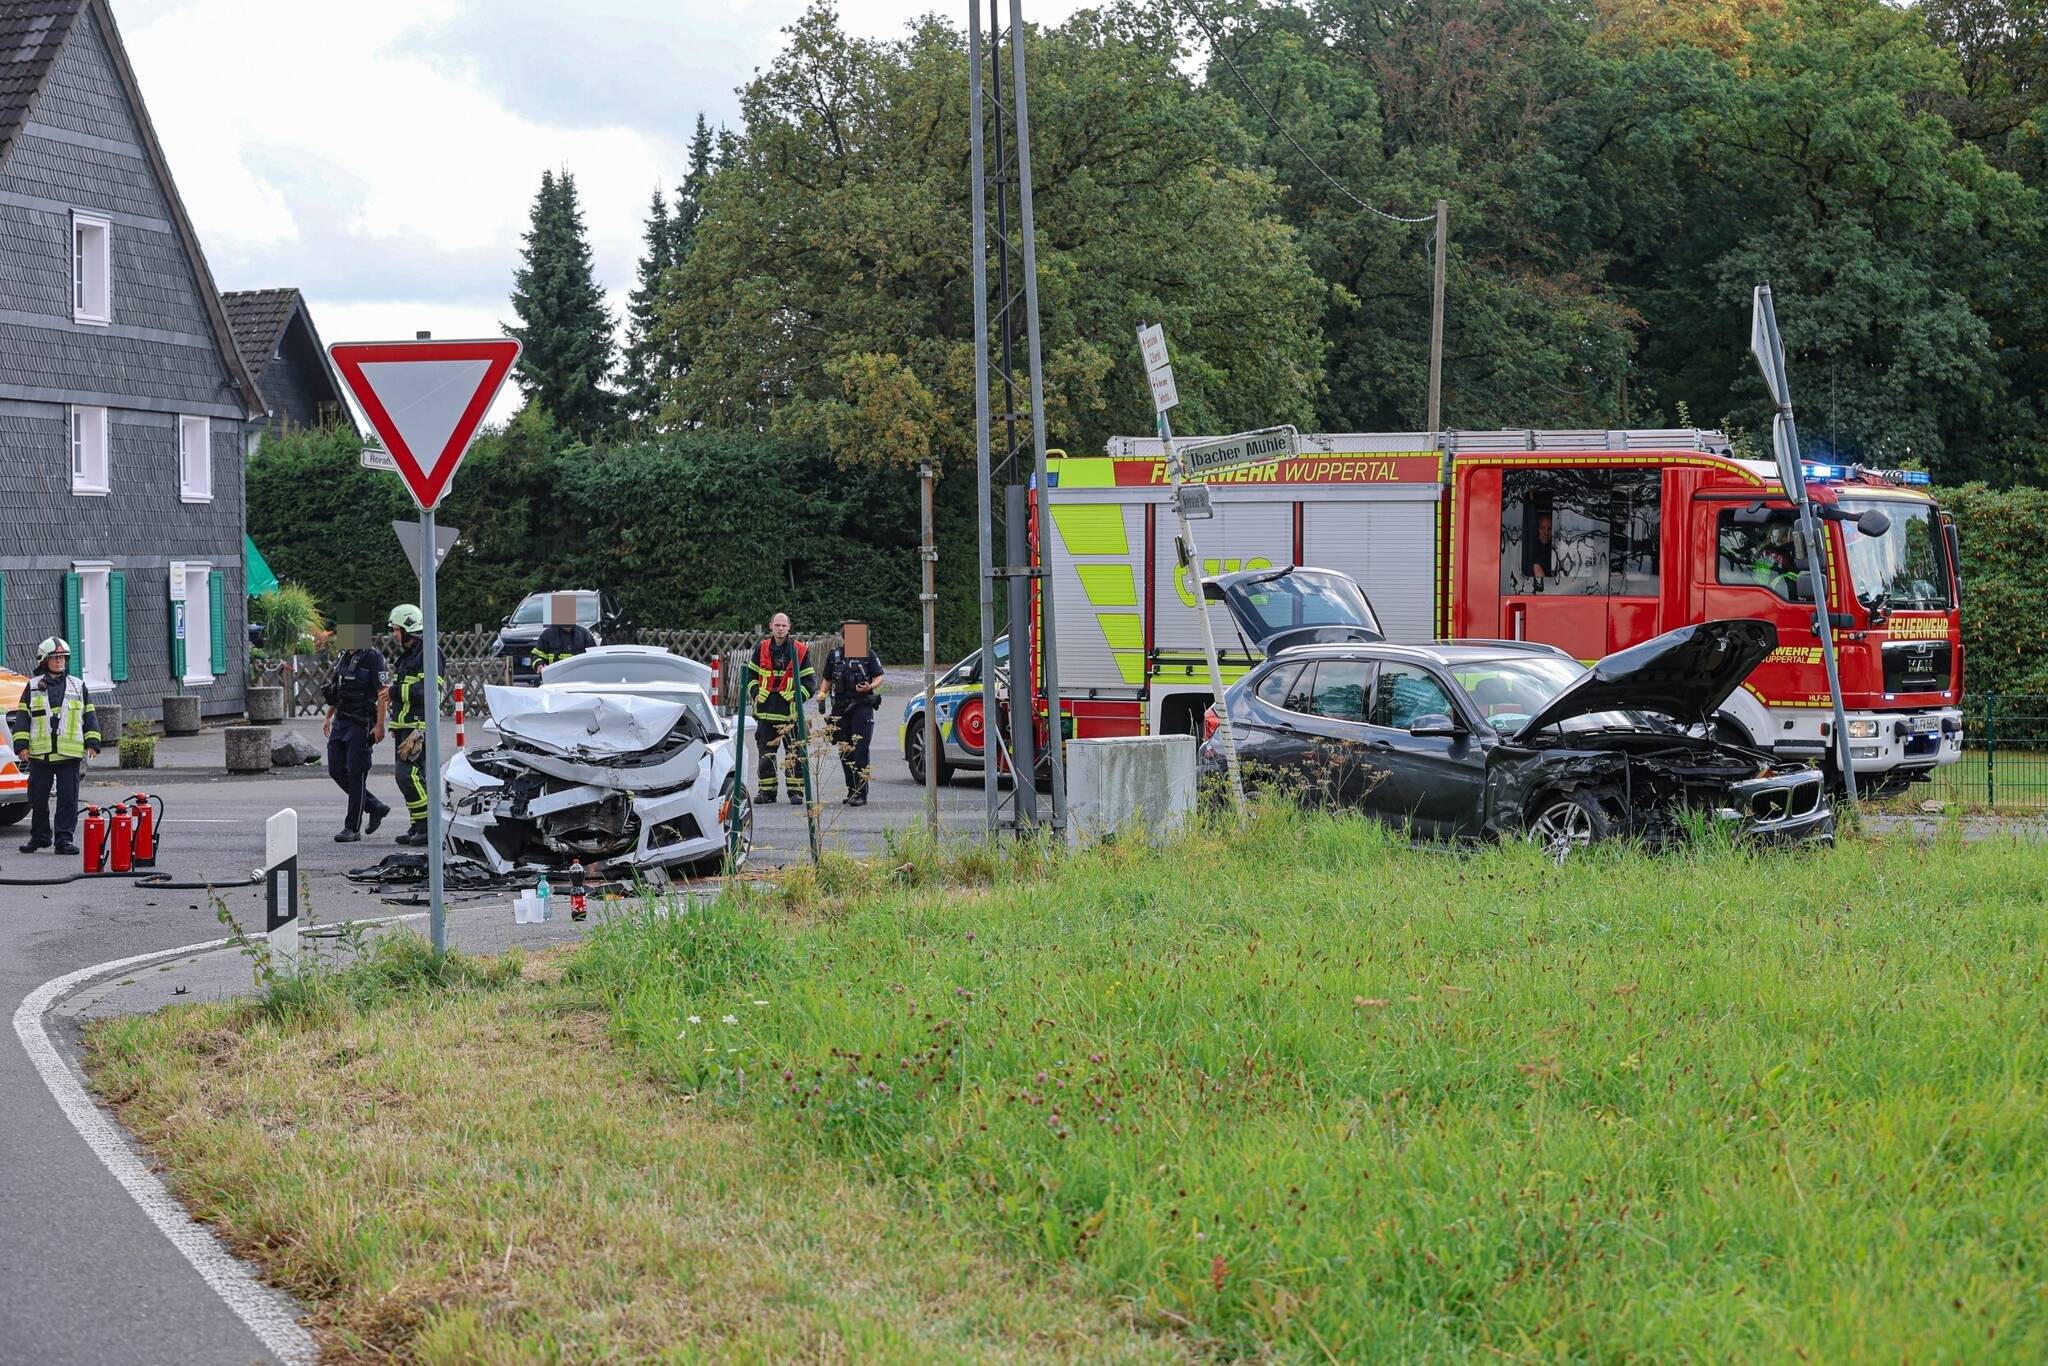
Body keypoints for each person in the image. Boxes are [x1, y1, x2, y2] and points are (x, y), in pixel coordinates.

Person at [9, 638, 99, 857]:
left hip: (69, 755)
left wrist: (93, 742)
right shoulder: (32, 687)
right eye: (55, 657)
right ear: (44, 660)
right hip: (41, 755)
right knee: (37, 799)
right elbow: (23, 717)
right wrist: (21, 746)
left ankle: (64, 841)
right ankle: (39, 838)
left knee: (67, 801)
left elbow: (89, 716)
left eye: (63, 657)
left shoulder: (78, 686)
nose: (60, 661)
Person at [321, 631, 390, 843]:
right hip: (341, 720)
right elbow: (337, 688)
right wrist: (328, 716)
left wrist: (379, 726)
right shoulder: (343, 656)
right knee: (336, 770)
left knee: (356, 774)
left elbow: (383, 693)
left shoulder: (373, 657)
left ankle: (352, 828)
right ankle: (374, 806)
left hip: (361, 723)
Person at [386, 603, 443, 846]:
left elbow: (427, 690)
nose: (394, 634)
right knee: (412, 776)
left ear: (409, 628)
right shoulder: (408, 654)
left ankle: (427, 826)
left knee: (407, 775)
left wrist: (394, 691)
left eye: (397, 629)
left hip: (419, 727)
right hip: (405, 728)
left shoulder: (430, 652)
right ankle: (418, 825)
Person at [747, 612, 816, 804]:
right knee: (765, 756)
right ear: (770, 626)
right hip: (766, 714)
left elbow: (810, 683)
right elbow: (750, 676)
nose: (780, 629)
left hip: (790, 715)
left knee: (794, 754)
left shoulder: (800, 651)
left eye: (783, 626)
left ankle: (795, 792)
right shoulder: (761, 649)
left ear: (789, 627)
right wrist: (755, 692)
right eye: (777, 625)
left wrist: (797, 695)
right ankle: (767, 792)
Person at [820, 622, 885, 806]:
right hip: (840, 708)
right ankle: (851, 789)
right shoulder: (835, 656)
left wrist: (870, 686)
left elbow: (879, 676)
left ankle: (861, 793)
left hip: (861, 706)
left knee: (860, 749)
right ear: (844, 637)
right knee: (844, 750)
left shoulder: (868, 654)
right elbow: (827, 678)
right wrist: (822, 694)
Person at [531, 592, 596, 677]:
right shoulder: (548, 635)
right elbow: (536, 655)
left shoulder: (584, 634)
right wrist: (539, 664)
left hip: (580, 679)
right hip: (554, 678)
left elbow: (593, 657)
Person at [1525, 512, 1554, 584]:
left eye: (1549, 529)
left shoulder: (1556, 550)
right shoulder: (1531, 550)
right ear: (1536, 530)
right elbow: (1543, 584)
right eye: (1542, 528)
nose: (1546, 532)